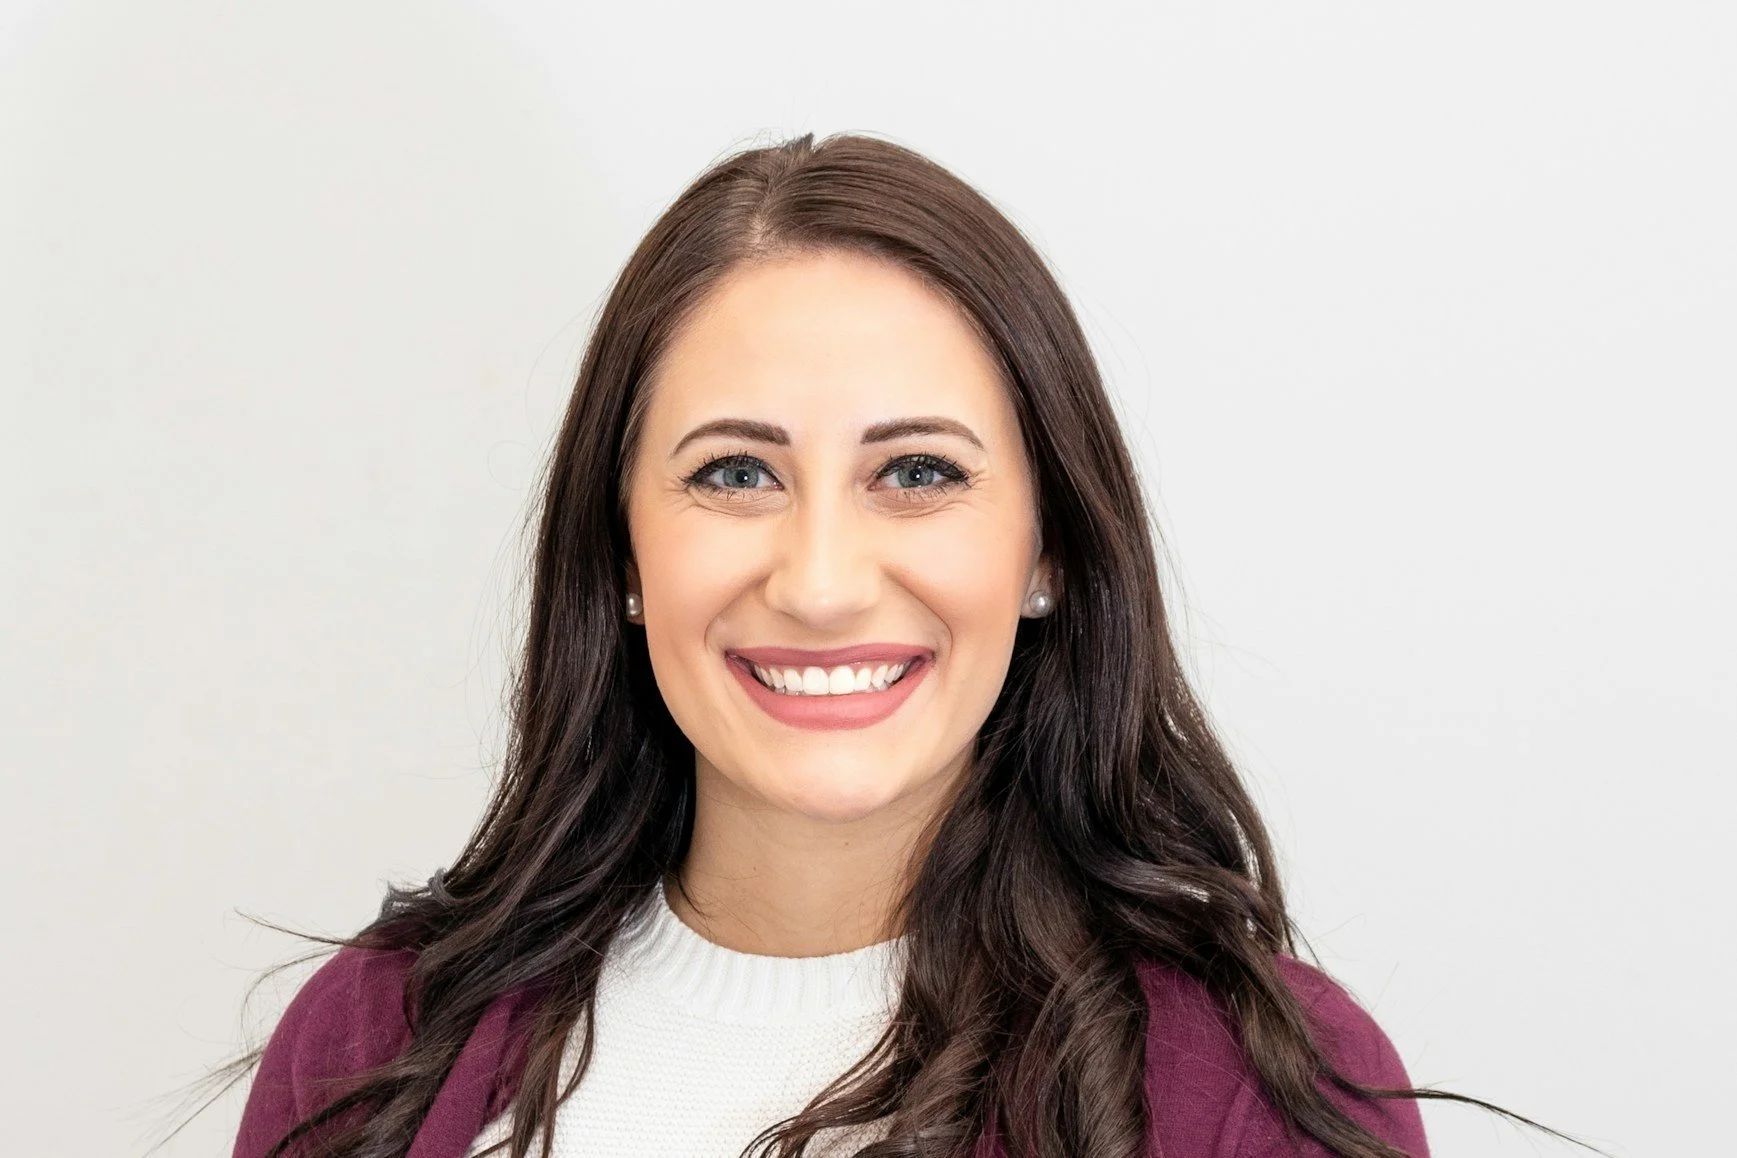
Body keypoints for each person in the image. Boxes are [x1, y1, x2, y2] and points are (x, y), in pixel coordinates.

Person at [230, 132, 1449, 1158]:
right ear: (624, 556)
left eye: (918, 472)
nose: (819, 584)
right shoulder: (372, 1049)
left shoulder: (1260, 1095)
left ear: (1048, 549)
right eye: (735, 473)